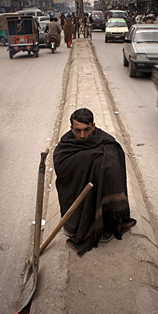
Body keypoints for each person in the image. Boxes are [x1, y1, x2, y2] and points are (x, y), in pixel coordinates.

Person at [53, 108, 137, 256]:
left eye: (87, 130)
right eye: (77, 131)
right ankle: (76, 223)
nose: (83, 136)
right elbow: (62, 166)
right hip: (76, 193)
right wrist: (89, 161)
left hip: (98, 188)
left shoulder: (103, 140)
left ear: (93, 126)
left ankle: (103, 223)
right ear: (71, 127)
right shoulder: (65, 146)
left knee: (104, 166)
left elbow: (115, 151)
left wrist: (98, 165)